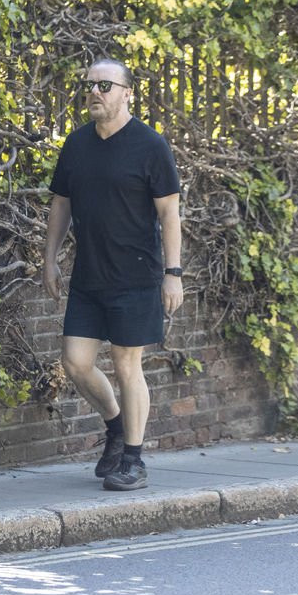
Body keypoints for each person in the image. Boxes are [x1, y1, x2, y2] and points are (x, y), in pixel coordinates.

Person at [43, 58, 183, 491]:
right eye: (90, 85)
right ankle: (117, 428)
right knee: (75, 362)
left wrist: (173, 273)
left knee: (127, 364)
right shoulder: (76, 144)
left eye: (105, 85)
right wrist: (49, 259)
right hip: (89, 275)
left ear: (127, 93)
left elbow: (169, 213)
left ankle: (134, 461)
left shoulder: (150, 145)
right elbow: (61, 204)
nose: (94, 92)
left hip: (136, 276)